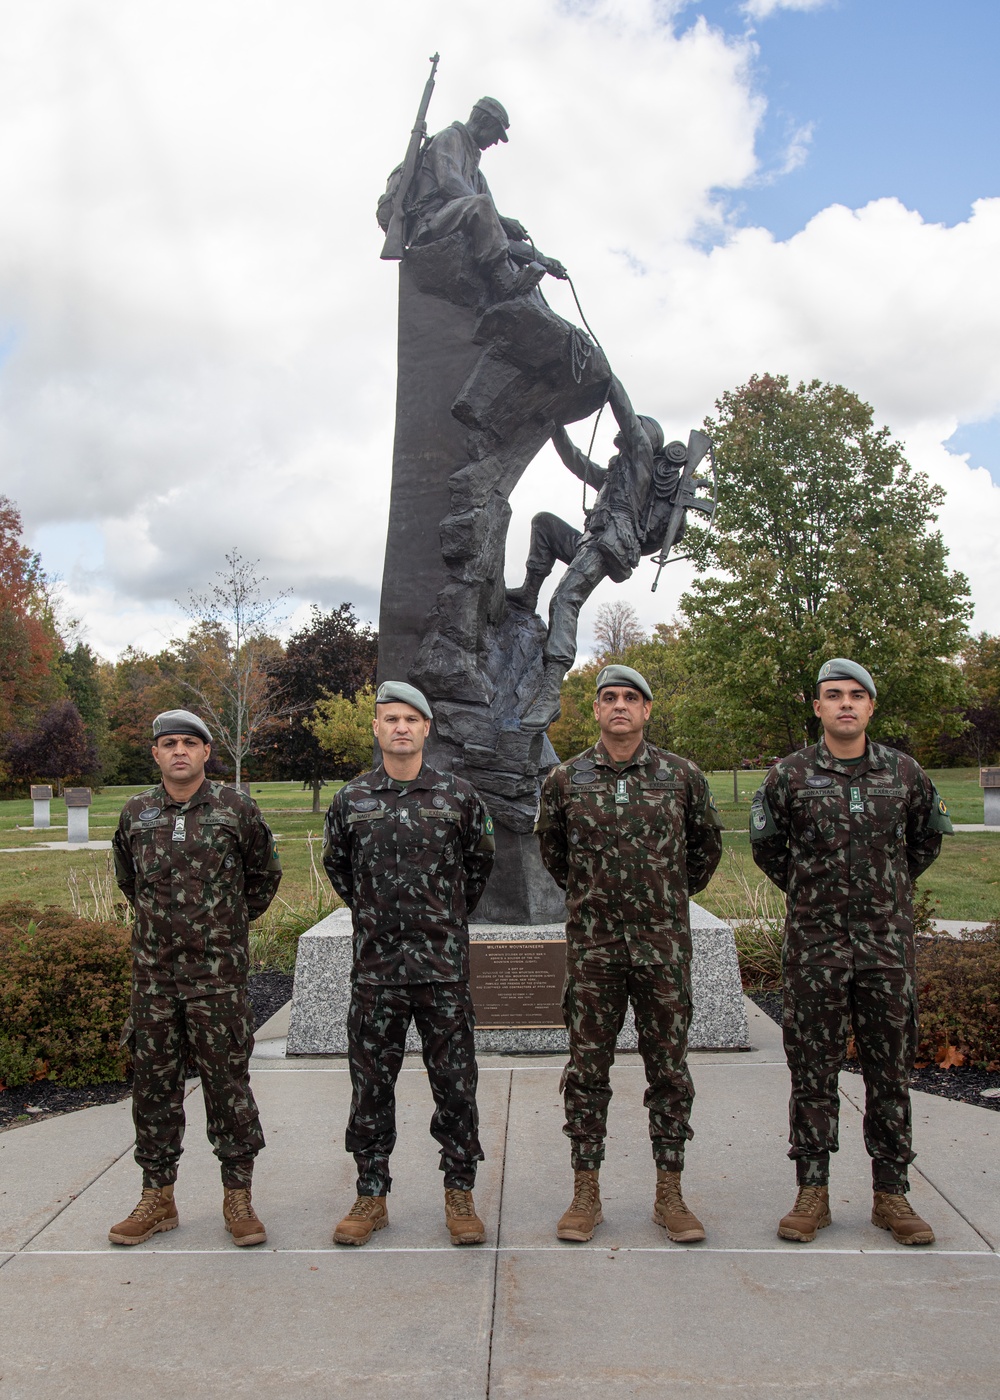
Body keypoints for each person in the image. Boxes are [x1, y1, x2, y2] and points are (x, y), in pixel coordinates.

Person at [749, 658, 953, 1246]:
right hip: (815, 947)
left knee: (890, 1071)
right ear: (816, 707)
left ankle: (892, 1194)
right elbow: (770, 851)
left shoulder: (906, 774)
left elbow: (925, 842)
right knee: (812, 1071)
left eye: (855, 696)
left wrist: (882, 893)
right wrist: (815, 893)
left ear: (870, 707)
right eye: (832, 695)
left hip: (886, 948)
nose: (844, 704)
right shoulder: (789, 776)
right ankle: (812, 1191)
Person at [535, 665, 723, 1242]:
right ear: (594, 710)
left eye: (631, 699)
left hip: (662, 950)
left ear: (646, 710)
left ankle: (670, 1192)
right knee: (588, 1072)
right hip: (594, 951)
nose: (620, 706)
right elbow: (556, 856)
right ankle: (585, 1192)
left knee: (669, 1071)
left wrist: (660, 902)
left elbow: (704, 853)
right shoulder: (566, 780)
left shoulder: (681, 776)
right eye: (609, 698)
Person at [322, 681, 496, 1247]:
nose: (400, 727)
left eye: (411, 719)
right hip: (377, 974)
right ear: (375, 728)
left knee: (456, 1087)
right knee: (370, 1088)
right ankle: (371, 1195)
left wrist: (438, 921)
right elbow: (341, 871)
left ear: (427, 729)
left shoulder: (460, 797)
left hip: (442, 972)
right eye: (390, 718)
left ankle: (460, 1194)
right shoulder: (351, 800)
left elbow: (477, 869)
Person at [109, 709, 282, 1247]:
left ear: (207, 752)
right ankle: (157, 1196)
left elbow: (264, 876)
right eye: (169, 743)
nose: (179, 751)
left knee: (228, 1087)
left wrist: (222, 928)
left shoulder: (237, 810)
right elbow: (127, 879)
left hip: (218, 980)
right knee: (153, 1088)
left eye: (189, 742)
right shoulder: (136, 813)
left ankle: (238, 1196)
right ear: (156, 754)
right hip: (155, 981)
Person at [405, 97, 567, 300]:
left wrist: (544, 260)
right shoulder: (449, 137)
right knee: (482, 204)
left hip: (456, 218)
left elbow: (494, 227)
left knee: (488, 214)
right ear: (483, 121)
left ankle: (516, 284)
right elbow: (449, 183)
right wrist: (501, 221)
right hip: (432, 222)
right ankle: (505, 280)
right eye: (496, 133)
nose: (496, 141)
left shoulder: (477, 175)